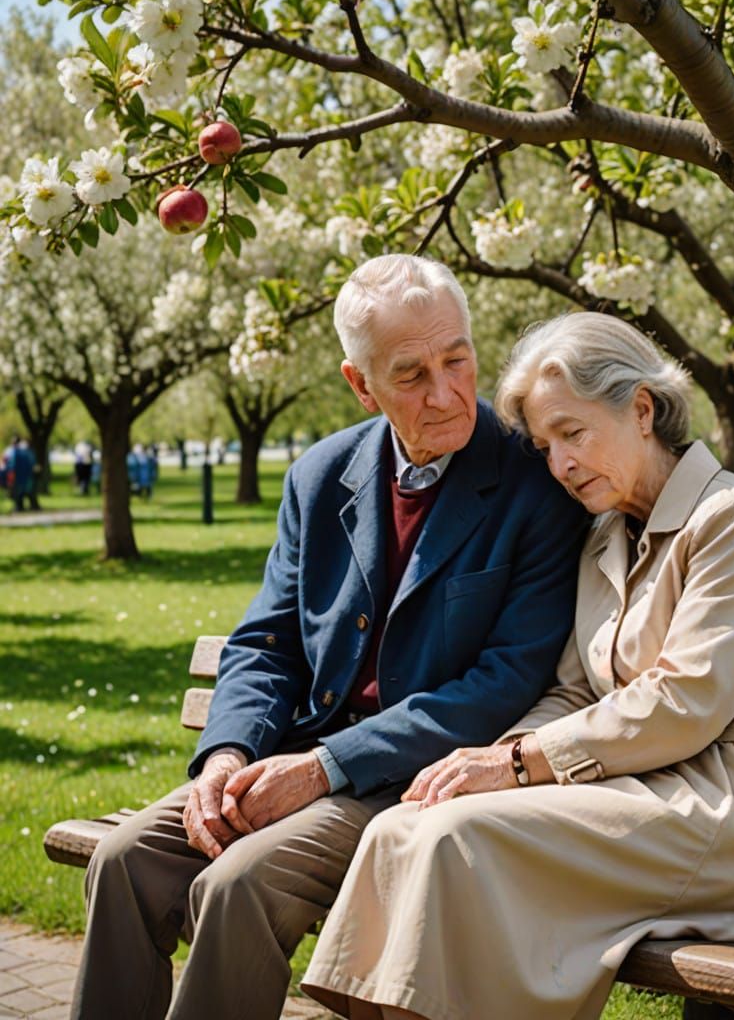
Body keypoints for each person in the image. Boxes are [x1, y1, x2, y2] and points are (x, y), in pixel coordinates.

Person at [70, 256, 587, 1020]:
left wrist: (320, 769)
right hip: (292, 756)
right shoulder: (321, 475)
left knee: (235, 886)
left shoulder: (534, 484)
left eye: (457, 359)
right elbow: (266, 643)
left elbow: (503, 684)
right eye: (410, 374)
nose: (445, 393)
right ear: (360, 383)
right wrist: (226, 755)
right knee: (122, 862)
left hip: (414, 785)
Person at [301, 311, 734, 1020]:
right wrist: (485, 761)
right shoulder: (604, 536)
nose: (559, 464)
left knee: (458, 841)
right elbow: (572, 691)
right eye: (547, 445)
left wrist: (520, 767)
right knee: (400, 829)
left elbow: (684, 702)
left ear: (641, 410)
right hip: (646, 792)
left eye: (573, 434)